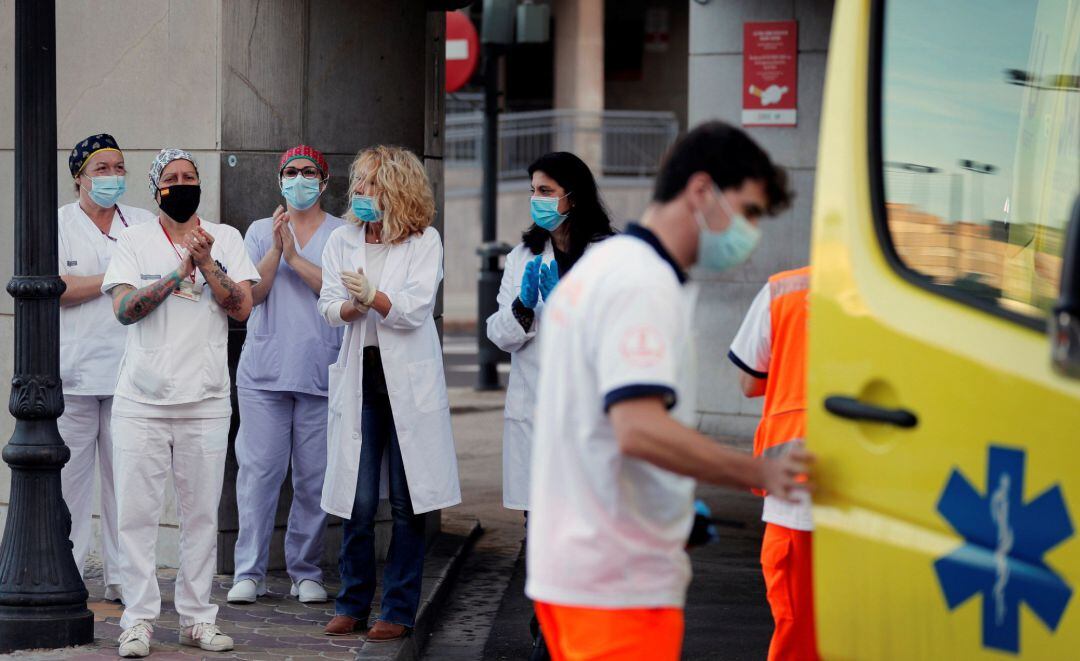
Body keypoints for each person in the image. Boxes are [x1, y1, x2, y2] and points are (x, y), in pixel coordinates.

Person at [525, 121, 813, 661]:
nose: (751, 232)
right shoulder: (642, 281)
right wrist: (759, 471)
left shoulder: (605, 268)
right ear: (701, 191)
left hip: (580, 568)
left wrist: (669, 507)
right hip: (618, 585)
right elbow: (639, 429)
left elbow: (601, 430)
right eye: (748, 212)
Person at [102, 148, 260, 658]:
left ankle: (197, 619)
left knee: (200, 518)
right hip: (141, 401)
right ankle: (138, 622)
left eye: (189, 176)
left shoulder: (227, 238)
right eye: (170, 178)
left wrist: (206, 261)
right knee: (137, 518)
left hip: (206, 398)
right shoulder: (133, 238)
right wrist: (178, 271)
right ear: (156, 190)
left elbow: (241, 307)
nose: (181, 184)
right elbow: (125, 310)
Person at [319, 146, 461, 642]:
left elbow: (415, 309)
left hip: (408, 382)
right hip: (363, 375)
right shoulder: (342, 239)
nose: (359, 194)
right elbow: (328, 307)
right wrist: (353, 308)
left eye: (371, 186)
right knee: (357, 502)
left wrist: (371, 296)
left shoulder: (425, 242)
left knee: (407, 500)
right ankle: (352, 602)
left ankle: (398, 610)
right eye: (358, 184)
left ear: (397, 191)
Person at [486, 152, 615, 659]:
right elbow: (499, 334)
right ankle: (547, 628)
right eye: (533, 190)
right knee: (541, 532)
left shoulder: (611, 253)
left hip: (591, 422)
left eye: (546, 190)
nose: (537, 200)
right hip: (537, 416)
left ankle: (580, 626)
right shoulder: (523, 257)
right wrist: (521, 309)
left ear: (573, 196)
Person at [227, 146, 345, 606]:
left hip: (320, 370)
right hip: (264, 373)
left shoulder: (341, 234)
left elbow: (336, 291)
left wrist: (296, 258)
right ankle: (248, 571)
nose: (299, 179)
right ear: (279, 180)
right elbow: (250, 296)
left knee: (314, 477)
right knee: (257, 475)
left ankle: (305, 570)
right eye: (291, 172)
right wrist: (277, 251)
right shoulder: (259, 231)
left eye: (308, 172)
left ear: (323, 179)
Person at [57, 133, 155, 602]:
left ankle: (123, 578)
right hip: (73, 375)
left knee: (127, 485)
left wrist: (99, 282)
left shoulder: (140, 224)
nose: (113, 176)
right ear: (79, 177)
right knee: (71, 487)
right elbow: (56, 286)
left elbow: (152, 283)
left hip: (127, 374)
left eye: (118, 168)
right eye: (102, 169)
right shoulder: (58, 224)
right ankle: (70, 575)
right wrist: (114, 278)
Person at [730, 265, 818, 661]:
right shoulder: (898, 289)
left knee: (797, 628)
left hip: (795, 490)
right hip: (879, 491)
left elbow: (750, 381)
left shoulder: (786, 288)